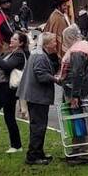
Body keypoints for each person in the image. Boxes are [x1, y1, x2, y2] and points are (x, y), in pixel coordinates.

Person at [17, 31, 60, 165]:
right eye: (54, 41)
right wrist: (56, 79)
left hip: (34, 95)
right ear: (47, 44)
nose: (56, 44)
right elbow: (41, 75)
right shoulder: (41, 56)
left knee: (38, 125)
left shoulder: (38, 53)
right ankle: (33, 155)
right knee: (38, 126)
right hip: (37, 97)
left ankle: (38, 152)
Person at [58, 24, 88, 165]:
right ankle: (76, 149)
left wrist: (75, 95)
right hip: (81, 91)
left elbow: (77, 74)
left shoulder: (77, 51)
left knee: (79, 121)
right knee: (76, 122)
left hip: (77, 93)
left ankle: (84, 153)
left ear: (69, 37)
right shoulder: (83, 46)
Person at [0, 31, 28, 152]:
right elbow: (0, 63)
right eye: (12, 38)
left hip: (9, 90)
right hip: (1, 88)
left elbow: (6, 66)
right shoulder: (11, 53)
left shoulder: (19, 55)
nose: (11, 40)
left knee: (9, 117)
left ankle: (16, 145)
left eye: (15, 39)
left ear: (21, 43)